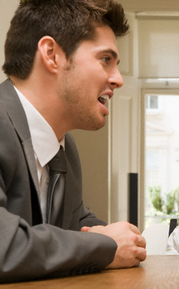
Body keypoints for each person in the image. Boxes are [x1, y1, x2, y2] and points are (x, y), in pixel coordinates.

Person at [0, 0, 146, 283]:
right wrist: (107, 245)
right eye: (106, 59)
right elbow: (5, 246)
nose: (118, 79)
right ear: (51, 54)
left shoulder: (65, 150)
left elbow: (77, 225)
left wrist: (121, 237)